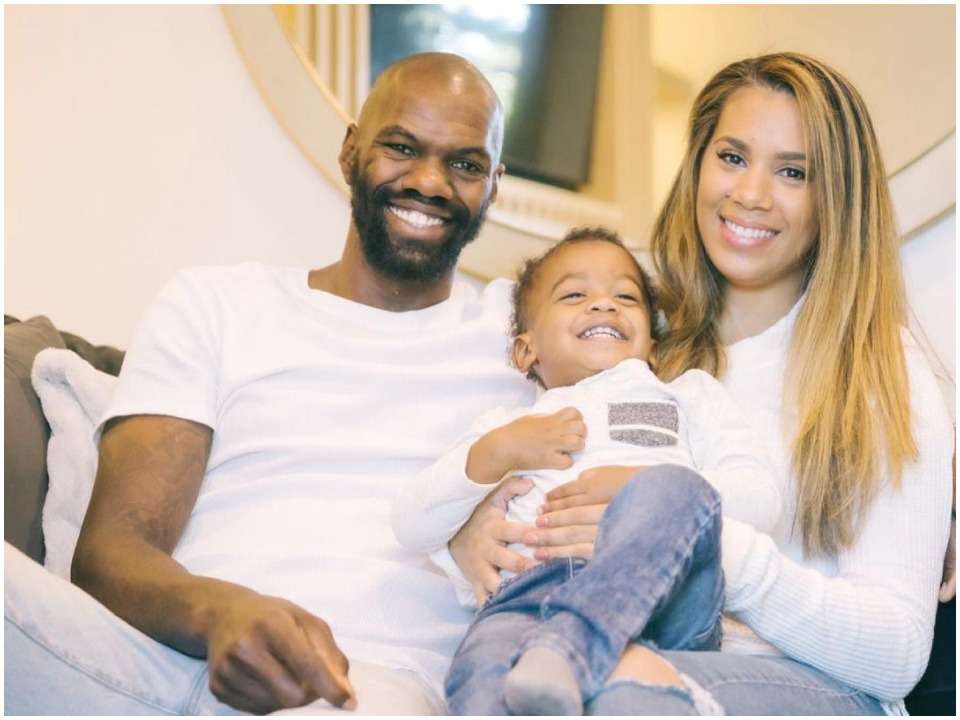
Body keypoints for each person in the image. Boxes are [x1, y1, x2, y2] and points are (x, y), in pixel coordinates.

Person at [4, 52, 539, 715]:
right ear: (351, 151)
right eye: (401, 148)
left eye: (465, 164)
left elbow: (658, 378)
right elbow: (113, 550)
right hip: (155, 663)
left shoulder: (527, 338)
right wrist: (222, 612)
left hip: (359, 687)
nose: (429, 182)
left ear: (493, 185)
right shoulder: (217, 304)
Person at [448, 52, 954, 715]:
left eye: (794, 172)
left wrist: (693, 535)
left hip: (816, 688)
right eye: (733, 157)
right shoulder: (638, 335)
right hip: (619, 650)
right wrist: (467, 530)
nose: (750, 194)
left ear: (838, 198)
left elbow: (897, 656)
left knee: (618, 687)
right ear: (697, 165)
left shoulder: (879, 372)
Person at [392, 227, 782, 714]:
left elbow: (761, 501)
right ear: (525, 351)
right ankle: (555, 662)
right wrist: (497, 451)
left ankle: (571, 647)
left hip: (667, 601)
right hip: (527, 602)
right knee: (485, 672)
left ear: (654, 350)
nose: (603, 305)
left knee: (678, 489)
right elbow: (411, 524)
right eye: (575, 295)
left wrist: (642, 493)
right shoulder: (506, 427)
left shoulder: (686, 397)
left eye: (625, 296)